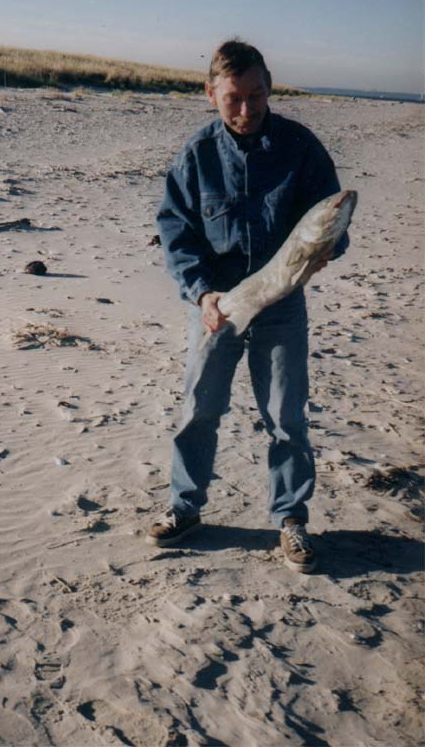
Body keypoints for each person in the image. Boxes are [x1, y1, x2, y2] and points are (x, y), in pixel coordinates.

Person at [146, 39, 349, 573]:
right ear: (210, 94)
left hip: (281, 305)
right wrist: (201, 292)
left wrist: (327, 250)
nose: (246, 108)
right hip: (218, 304)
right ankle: (185, 507)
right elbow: (175, 232)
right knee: (199, 411)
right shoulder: (196, 155)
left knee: (286, 418)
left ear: (269, 87)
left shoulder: (301, 147)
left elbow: (331, 218)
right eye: (233, 98)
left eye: (256, 95)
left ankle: (292, 519)